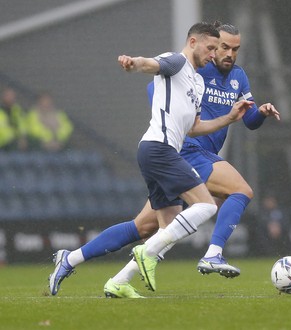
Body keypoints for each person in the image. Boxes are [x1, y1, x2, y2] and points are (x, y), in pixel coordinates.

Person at [49, 22, 254, 297]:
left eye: (219, 49)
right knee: (206, 206)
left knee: (154, 227)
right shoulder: (177, 61)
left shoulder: (195, 81)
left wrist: (229, 118)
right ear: (193, 42)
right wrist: (132, 62)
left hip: (160, 151)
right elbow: (150, 65)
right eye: (211, 48)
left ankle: (89, 268)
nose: (214, 54)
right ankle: (185, 253)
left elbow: (194, 127)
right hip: (161, 150)